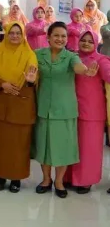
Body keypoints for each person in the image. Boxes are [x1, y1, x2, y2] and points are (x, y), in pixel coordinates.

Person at [33, 22, 98, 198]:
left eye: (63, 36)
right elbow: (32, 72)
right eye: (56, 35)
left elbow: (78, 67)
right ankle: (46, 179)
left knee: (63, 147)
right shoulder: (38, 54)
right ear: (48, 37)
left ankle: (59, 181)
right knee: (44, 146)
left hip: (65, 109)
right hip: (44, 107)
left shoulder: (71, 56)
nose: (60, 39)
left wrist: (86, 71)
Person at [0, 22, 38, 193]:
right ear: (7, 34)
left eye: (18, 33)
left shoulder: (29, 54)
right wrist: (2, 84)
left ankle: (16, 178)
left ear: (23, 35)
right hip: (1, 103)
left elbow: (34, 79)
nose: (15, 36)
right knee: (1, 145)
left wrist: (30, 82)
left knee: (19, 145)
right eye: (12, 33)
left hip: (21, 104)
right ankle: (1, 176)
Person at [64, 30, 110, 194]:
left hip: (92, 112)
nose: (86, 43)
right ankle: (68, 177)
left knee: (88, 148)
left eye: (90, 41)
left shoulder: (100, 60)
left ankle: (85, 181)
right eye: (83, 40)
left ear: (96, 43)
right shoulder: (72, 58)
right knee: (71, 146)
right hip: (71, 109)